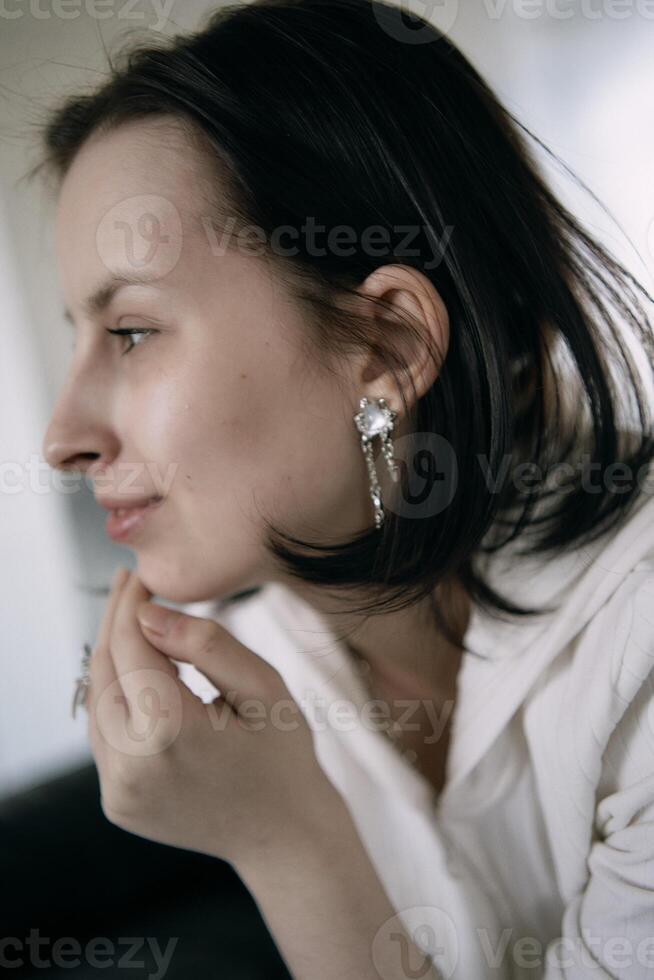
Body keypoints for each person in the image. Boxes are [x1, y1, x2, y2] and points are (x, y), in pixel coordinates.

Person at [33, 0, 654, 976]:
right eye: (78, 332)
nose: (62, 437)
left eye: (134, 332)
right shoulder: (266, 663)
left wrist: (286, 841)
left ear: (388, 344)